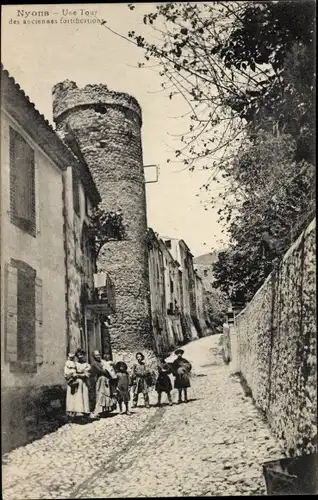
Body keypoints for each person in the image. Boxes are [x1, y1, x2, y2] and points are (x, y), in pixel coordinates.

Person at [64, 348, 91, 419]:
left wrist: (78, 375)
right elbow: (69, 372)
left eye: (82, 355)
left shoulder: (87, 365)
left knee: (83, 397)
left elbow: (87, 374)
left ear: (84, 355)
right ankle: (72, 413)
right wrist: (73, 375)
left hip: (83, 383)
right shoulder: (73, 364)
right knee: (73, 398)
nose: (80, 356)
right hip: (74, 383)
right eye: (78, 355)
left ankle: (84, 413)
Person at [90, 350, 113, 419]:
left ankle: (105, 410)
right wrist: (107, 370)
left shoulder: (103, 362)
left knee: (107, 394)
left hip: (106, 379)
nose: (98, 356)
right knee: (100, 394)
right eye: (96, 355)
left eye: (98, 354)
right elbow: (100, 371)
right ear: (94, 356)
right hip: (100, 380)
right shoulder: (94, 363)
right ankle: (97, 411)